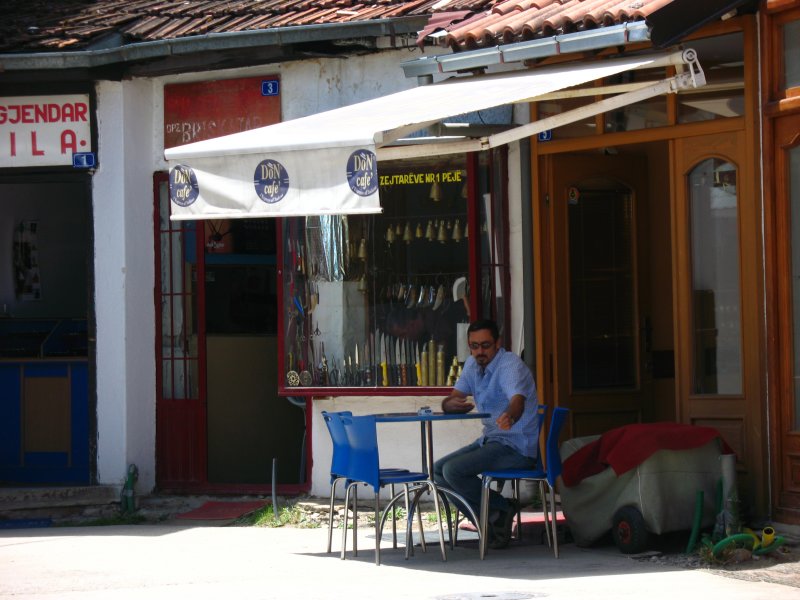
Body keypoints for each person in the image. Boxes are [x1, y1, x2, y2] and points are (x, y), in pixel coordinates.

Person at [433, 318, 540, 549]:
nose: (480, 351)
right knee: (438, 470)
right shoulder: (473, 365)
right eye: (474, 346)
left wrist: (510, 416)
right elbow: (453, 398)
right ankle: (491, 521)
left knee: (454, 471)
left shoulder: (508, 364)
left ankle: (499, 510)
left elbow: (517, 401)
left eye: (486, 345)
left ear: (498, 343)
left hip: (516, 446)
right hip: (491, 440)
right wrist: (450, 405)